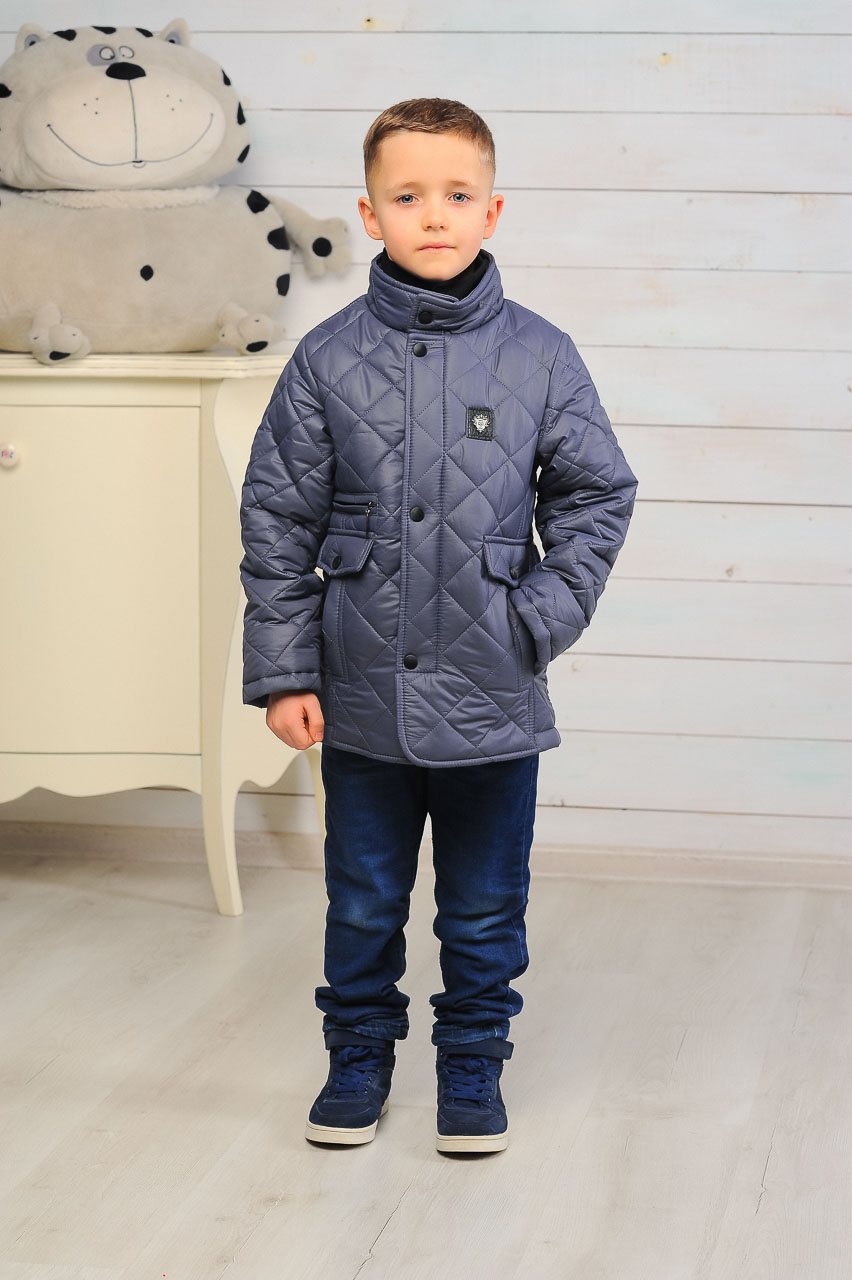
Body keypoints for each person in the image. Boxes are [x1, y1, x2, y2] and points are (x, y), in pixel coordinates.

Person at [239, 98, 638, 1154]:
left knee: (484, 904)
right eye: (407, 196)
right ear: (370, 214)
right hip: (359, 690)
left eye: (457, 195)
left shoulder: (540, 355)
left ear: (491, 210)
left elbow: (596, 493)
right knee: (364, 899)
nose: (433, 215)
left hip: (494, 689)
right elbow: (277, 518)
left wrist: (538, 618)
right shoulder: (327, 358)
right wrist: (285, 671)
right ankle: (357, 1056)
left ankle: (472, 1062)